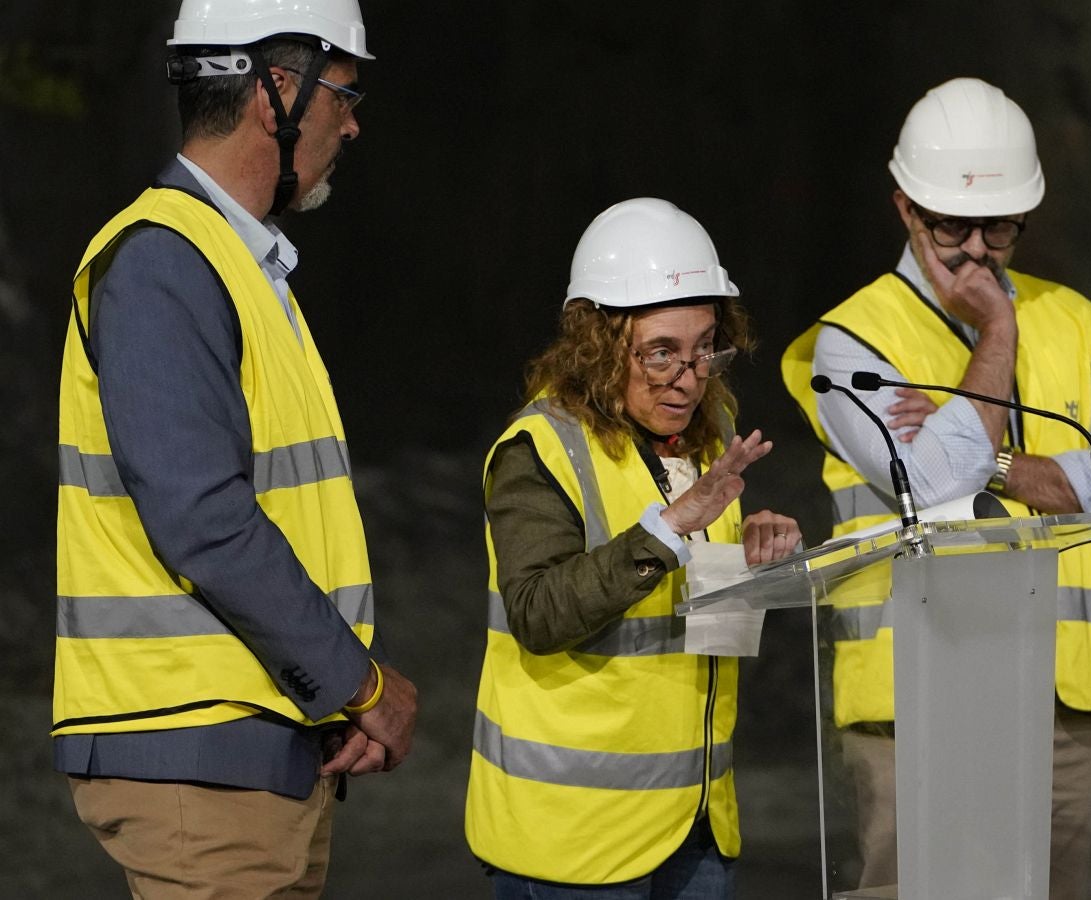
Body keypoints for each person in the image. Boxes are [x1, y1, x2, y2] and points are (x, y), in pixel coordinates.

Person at [53, 1, 417, 895]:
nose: (353, 120)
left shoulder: (235, 263)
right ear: (277, 92)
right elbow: (204, 519)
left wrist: (332, 696)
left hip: (254, 748)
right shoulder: (163, 263)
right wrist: (360, 686)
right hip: (195, 759)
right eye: (343, 91)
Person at [781, 77, 1091, 900]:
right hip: (912, 701)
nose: (978, 249)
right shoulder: (854, 345)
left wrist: (998, 467)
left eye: (999, 225)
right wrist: (996, 336)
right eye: (954, 224)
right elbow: (933, 484)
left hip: (1060, 698)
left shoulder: (1074, 320)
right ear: (905, 211)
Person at [465, 197, 803, 899]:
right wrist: (669, 530)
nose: (688, 377)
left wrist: (754, 559)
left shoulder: (711, 431)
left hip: (695, 825)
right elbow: (537, 612)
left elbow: (699, 624)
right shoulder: (542, 449)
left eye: (704, 347)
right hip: (576, 844)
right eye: (660, 353)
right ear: (598, 344)